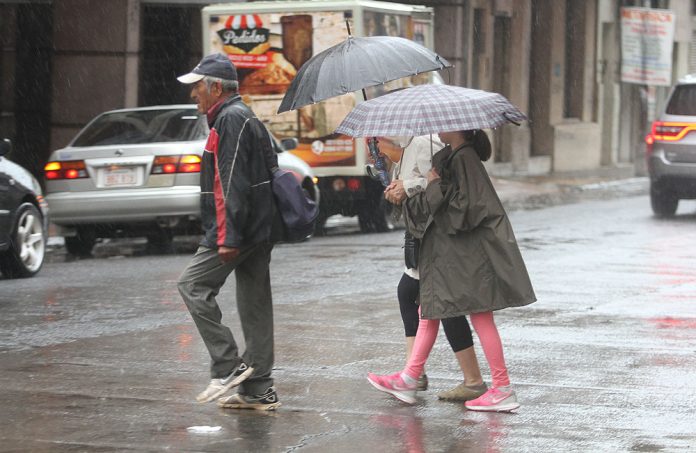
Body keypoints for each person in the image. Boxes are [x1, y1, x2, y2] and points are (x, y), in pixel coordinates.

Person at [368, 129, 536, 412]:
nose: (438, 129)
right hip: (458, 252)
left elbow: (465, 210)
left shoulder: (464, 158)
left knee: (480, 317)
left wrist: (433, 186)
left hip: (471, 254)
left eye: (444, 125)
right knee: (429, 307)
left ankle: (502, 388)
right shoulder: (453, 156)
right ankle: (410, 377)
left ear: (459, 128)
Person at [176, 53, 281, 411]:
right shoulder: (241, 116)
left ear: (215, 87)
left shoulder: (231, 118)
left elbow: (229, 183)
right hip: (257, 227)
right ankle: (258, 389)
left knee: (192, 285)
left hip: (240, 230)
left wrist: (227, 236)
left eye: (197, 88)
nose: (193, 95)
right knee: (254, 304)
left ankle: (227, 364)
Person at [378, 135, 488, 402]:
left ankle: (469, 380)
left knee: (446, 306)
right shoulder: (402, 155)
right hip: (422, 235)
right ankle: (414, 374)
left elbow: (440, 183)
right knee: (414, 295)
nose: (367, 150)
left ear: (381, 140)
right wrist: (396, 190)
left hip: (436, 235)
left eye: (369, 143)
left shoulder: (425, 145)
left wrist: (407, 186)